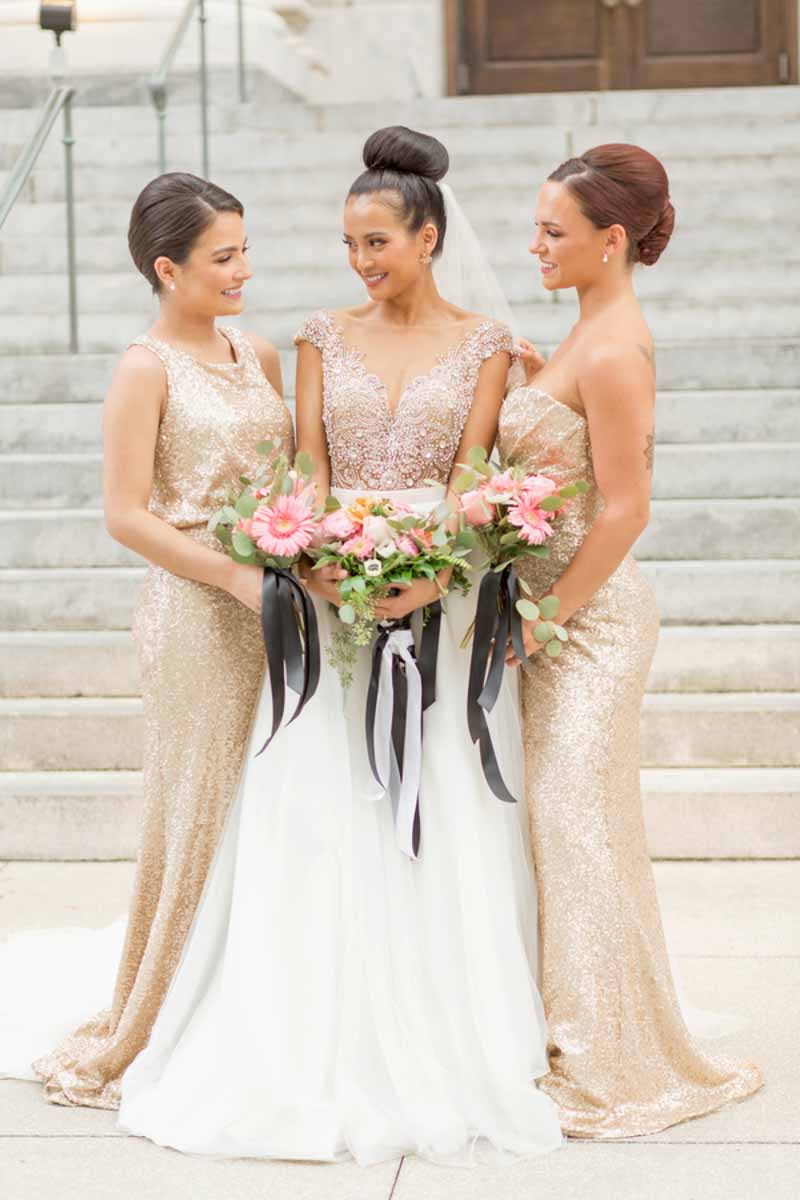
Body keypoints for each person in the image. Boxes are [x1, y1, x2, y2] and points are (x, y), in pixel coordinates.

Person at [117, 127, 563, 1166]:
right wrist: (323, 548)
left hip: (439, 593)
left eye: (377, 241)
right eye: (348, 243)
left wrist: (437, 561)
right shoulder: (313, 337)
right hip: (326, 589)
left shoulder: (491, 344)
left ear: (428, 235)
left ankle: (458, 1019)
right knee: (319, 795)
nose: (360, 261)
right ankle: (305, 1017)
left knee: (441, 795)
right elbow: (306, 460)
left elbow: (470, 470)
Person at [1, 172, 293, 1108]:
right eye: (223, 256)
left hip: (278, 602)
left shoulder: (258, 355)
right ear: (168, 270)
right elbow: (126, 516)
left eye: (245, 248)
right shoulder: (144, 369)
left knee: (277, 800)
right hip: (197, 614)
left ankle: (266, 998)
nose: (243, 269)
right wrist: (236, 577)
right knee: (200, 802)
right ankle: (165, 1011)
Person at [498, 143, 762, 1138]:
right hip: (547, 608)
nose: (533, 246)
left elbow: (624, 510)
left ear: (611, 241)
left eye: (551, 232)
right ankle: (570, 1021)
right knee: (556, 830)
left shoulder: (613, 348)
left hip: (590, 622)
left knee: (577, 826)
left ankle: (609, 1054)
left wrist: (545, 618)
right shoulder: (578, 334)